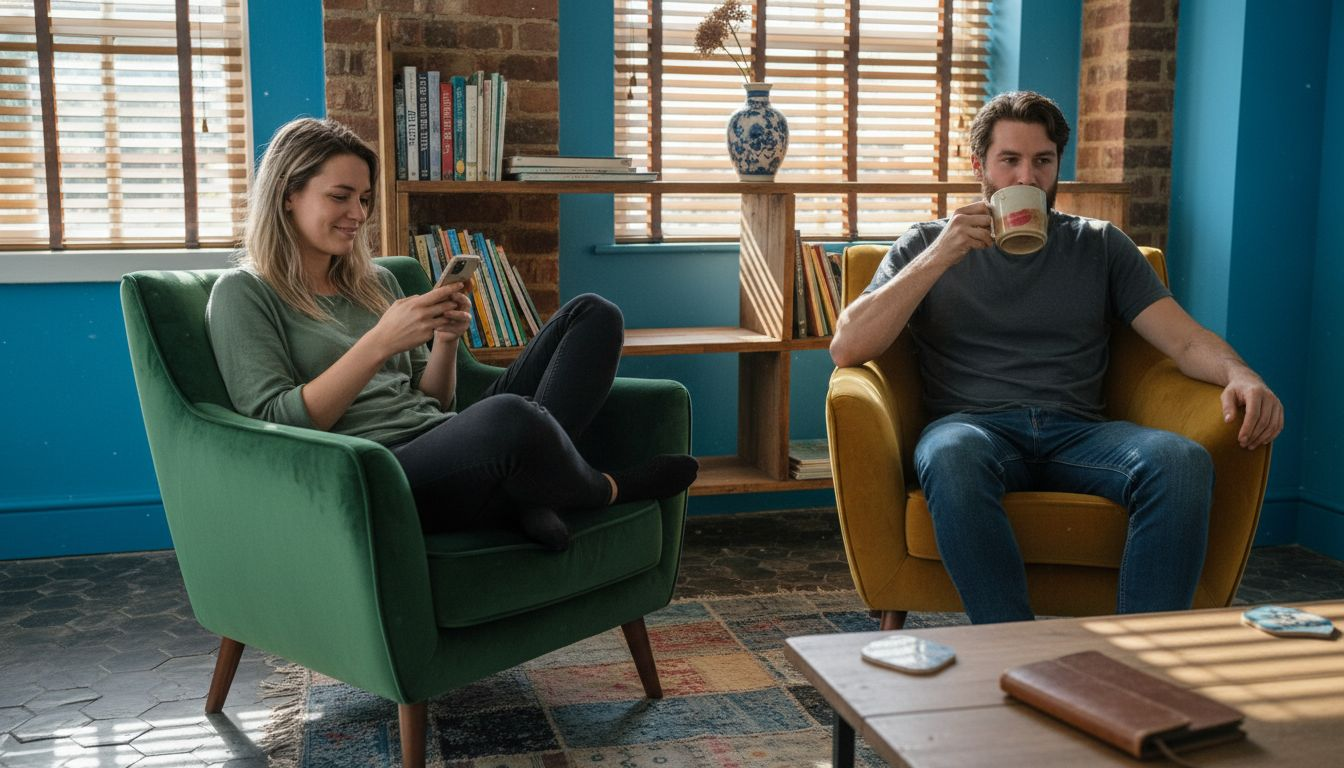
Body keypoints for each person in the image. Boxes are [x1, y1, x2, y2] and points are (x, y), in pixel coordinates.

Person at [829, 91, 1283, 624]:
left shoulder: (1101, 246)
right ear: (980, 166)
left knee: (1181, 462)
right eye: (1010, 160)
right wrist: (940, 256)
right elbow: (849, 346)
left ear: (1057, 166)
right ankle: (1015, 647)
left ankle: (1148, 659)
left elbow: (1184, 340)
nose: (1027, 177)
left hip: (1080, 434)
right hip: (973, 428)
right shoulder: (927, 244)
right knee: (950, 455)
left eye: (1043, 161)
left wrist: (1241, 373)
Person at [206, 117, 697, 551]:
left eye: (364, 199)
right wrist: (378, 342)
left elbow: (436, 405)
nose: (358, 213)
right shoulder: (244, 293)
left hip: (445, 445)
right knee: (509, 415)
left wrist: (444, 341)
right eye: (340, 196)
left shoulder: (375, 282)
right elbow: (275, 425)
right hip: (379, 470)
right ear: (288, 195)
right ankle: (600, 489)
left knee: (593, 315)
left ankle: (528, 495)